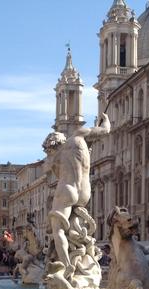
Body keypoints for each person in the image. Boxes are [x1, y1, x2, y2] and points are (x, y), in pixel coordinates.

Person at [43, 113, 111, 279]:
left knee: (57, 230)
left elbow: (60, 176)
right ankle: (81, 257)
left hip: (67, 189)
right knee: (76, 226)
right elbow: (105, 130)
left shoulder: (54, 160)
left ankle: (68, 266)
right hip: (85, 193)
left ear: (51, 146)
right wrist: (106, 120)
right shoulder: (79, 135)